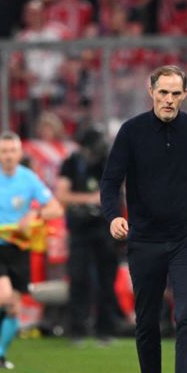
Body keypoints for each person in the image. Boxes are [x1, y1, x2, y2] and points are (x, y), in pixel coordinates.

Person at [100, 65, 187, 373]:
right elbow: (109, 183)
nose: (168, 99)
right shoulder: (131, 132)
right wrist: (113, 217)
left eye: (175, 93)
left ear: (185, 95)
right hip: (146, 239)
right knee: (147, 320)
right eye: (163, 92)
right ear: (150, 90)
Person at [0, 131, 63, 369]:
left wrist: (35, 213)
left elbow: (55, 208)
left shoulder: (29, 179)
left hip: (20, 246)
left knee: (14, 307)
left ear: (19, 153)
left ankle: (0, 354)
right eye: (4, 151)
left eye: (12, 151)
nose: (8, 156)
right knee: (5, 297)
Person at [56, 127, 120, 344]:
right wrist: (91, 199)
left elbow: (117, 190)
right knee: (78, 278)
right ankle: (78, 329)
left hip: (105, 228)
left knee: (107, 279)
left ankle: (105, 329)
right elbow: (62, 195)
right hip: (80, 229)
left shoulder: (107, 161)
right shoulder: (72, 163)